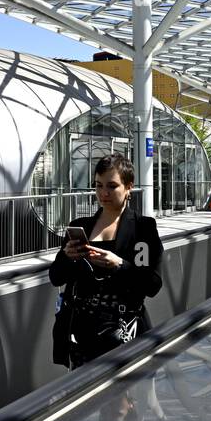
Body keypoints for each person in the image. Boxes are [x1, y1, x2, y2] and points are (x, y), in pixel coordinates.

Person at [50, 153, 165, 370]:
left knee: (124, 398)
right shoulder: (80, 226)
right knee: (83, 397)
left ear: (129, 187)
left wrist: (119, 265)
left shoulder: (142, 228)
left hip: (121, 331)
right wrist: (67, 257)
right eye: (98, 185)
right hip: (82, 333)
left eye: (112, 186)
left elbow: (152, 284)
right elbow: (56, 277)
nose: (104, 193)